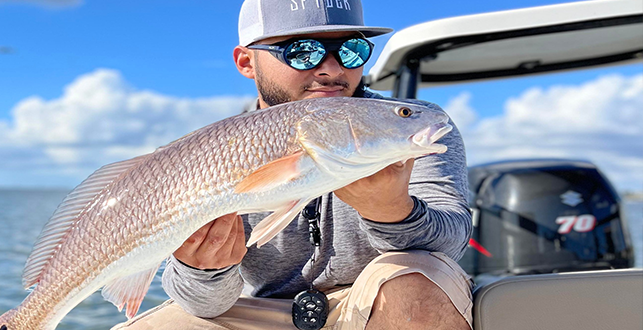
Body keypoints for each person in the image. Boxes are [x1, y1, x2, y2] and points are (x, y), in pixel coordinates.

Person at [113, 0, 473, 329]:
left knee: (414, 280)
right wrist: (204, 269)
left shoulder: (410, 125)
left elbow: (450, 246)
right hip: (263, 311)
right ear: (246, 62)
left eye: (351, 49)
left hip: (374, 303)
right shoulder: (208, 154)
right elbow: (203, 305)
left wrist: (392, 211)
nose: (332, 68)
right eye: (303, 51)